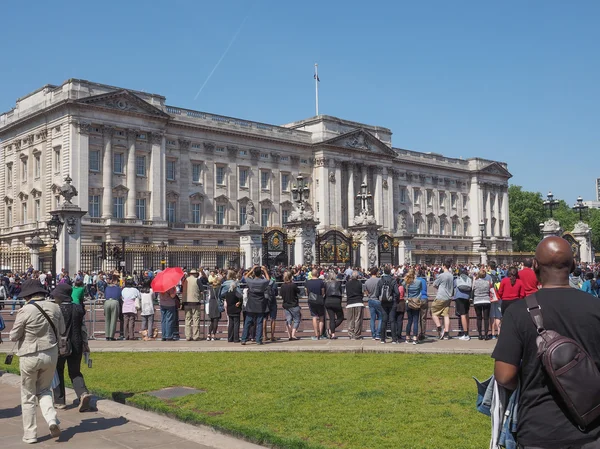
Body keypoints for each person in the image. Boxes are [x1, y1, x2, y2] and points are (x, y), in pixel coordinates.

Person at [493, 236, 600, 449]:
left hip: (538, 427)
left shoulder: (518, 312)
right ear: (574, 265)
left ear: (534, 266)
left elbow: (504, 375)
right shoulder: (596, 307)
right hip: (592, 426)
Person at [9, 279, 65, 443]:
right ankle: (52, 419)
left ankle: (30, 434)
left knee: (28, 395)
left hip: (29, 354)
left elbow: (13, 335)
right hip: (50, 353)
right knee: (45, 390)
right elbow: (61, 330)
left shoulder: (25, 310)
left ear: (28, 295)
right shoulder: (55, 307)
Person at [50, 284, 92, 412]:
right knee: (75, 371)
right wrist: (86, 344)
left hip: (61, 345)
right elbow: (83, 328)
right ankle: (83, 393)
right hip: (77, 343)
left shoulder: (56, 309)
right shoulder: (78, 308)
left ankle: (59, 401)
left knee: (58, 371)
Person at [241, 265, 270, 345]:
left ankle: (244, 339)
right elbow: (268, 279)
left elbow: (245, 276)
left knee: (248, 322)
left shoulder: (251, 281)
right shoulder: (263, 282)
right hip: (260, 302)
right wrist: (265, 270)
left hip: (251, 302)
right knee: (259, 322)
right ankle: (258, 339)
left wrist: (252, 270)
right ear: (261, 273)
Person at [375, 265, 399, 344]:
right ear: (390, 272)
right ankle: (394, 339)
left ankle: (382, 339)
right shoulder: (393, 280)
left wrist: (381, 298)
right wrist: (395, 298)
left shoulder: (380, 280)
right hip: (391, 302)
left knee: (384, 320)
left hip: (383, 303)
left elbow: (376, 293)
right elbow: (397, 292)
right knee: (392, 320)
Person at [432, 258, 454, 340]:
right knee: (446, 315)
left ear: (444, 266)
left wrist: (439, 288)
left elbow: (434, 284)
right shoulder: (451, 275)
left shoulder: (441, 275)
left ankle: (439, 328)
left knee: (433, 312)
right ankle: (447, 333)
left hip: (441, 296)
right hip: (448, 297)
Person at [182, 269, 204, 341]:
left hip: (186, 302)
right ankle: (195, 336)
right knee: (196, 319)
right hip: (195, 301)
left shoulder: (185, 280)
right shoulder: (197, 280)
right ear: (195, 274)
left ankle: (188, 336)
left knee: (187, 319)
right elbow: (202, 290)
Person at [280, 271, 302, 341]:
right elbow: (298, 291)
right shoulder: (293, 285)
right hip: (294, 304)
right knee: (296, 320)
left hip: (286, 305)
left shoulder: (282, 286)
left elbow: (281, 294)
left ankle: (289, 335)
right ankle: (293, 334)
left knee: (288, 320)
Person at [305, 268, 326, 340]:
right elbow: (323, 292)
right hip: (320, 300)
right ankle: (320, 334)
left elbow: (306, 292)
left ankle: (316, 334)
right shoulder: (321, 282)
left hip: (311, 300)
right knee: (321, 317)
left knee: (314, 317)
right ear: (317, 274)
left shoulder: (307, 282)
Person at [223, 271, 243, 343]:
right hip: (235, 309)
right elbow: (241, 296)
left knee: (231, 324)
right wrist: (239, 302)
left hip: (229, 309)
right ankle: (236, 338)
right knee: (236, 324)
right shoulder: (235, 292)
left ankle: (230, 338)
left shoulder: (227, 293)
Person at [471, 270, 492, 340]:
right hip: (486, 300)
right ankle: (486, 334)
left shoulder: (475, 282)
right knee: (486, 318)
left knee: (479, 318)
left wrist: (474, 279)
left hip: (477, 301)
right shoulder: (487, 282)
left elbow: (472, 289)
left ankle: (480, 334)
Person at [403, 269, 421, 345]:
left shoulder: (406, 282)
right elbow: (420, 291)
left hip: (408, 301)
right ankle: (415, 337)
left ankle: (407, 337)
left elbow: (403, 287)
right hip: (416, 301)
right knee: (416, 320)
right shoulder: (418, 282)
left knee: (409, 321)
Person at [345, 270, 365, 340]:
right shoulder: (360, 283)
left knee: (350, 320)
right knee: (358, 320)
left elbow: (346, 293)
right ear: (357, 276)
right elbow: (362, 293)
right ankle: (357, 335)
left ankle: (351, 334)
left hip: (350, 303)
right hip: (358, 302)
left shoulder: (347, 284)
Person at [324, 271, 344, 339]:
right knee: (340, 317)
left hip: (328, 300)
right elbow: (341, 292)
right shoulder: (338, 283)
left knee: (331, 318)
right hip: (336, 300)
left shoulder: (325, 283)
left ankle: (332, 333)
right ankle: (331, 329)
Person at [364, 267, 383, 340]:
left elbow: (366, 291)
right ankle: (378, 334)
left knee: (372, 318)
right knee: (381, 318)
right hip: (378, 300)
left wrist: (369, 295)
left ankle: (373, 334)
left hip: (371, 300)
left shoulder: (367, 281)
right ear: (377, 273)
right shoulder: (380, 280)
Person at [103, 275, 122, 341]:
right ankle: (111, 336)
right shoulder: (118, 288)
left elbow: (105, 296)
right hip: (114, 302)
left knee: (107, 319)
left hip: (107, 302)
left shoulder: (107, 288)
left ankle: (107, 335)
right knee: (113, 320)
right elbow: (120, 296)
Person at [416, 269, 430, 341]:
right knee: (423, 318)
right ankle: (422, 333)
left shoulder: (415, 280)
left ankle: (416, 333)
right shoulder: (424, 281)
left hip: (417, 299)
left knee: (416, 317)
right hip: (424, 298)